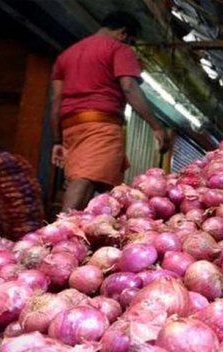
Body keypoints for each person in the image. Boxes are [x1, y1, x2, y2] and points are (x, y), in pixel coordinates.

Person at [50, 11, 169, 211]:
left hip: (71, 127)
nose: (129, 44)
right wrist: (156, 126)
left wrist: (57, 140)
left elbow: (56, 100)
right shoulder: (119, 49)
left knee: (94, 180)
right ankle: (62, 230)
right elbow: (129, 87)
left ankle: (80, 232)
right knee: (85, 178)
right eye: (130, 40)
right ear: (122, 33)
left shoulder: (66, 56)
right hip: (100, 125)